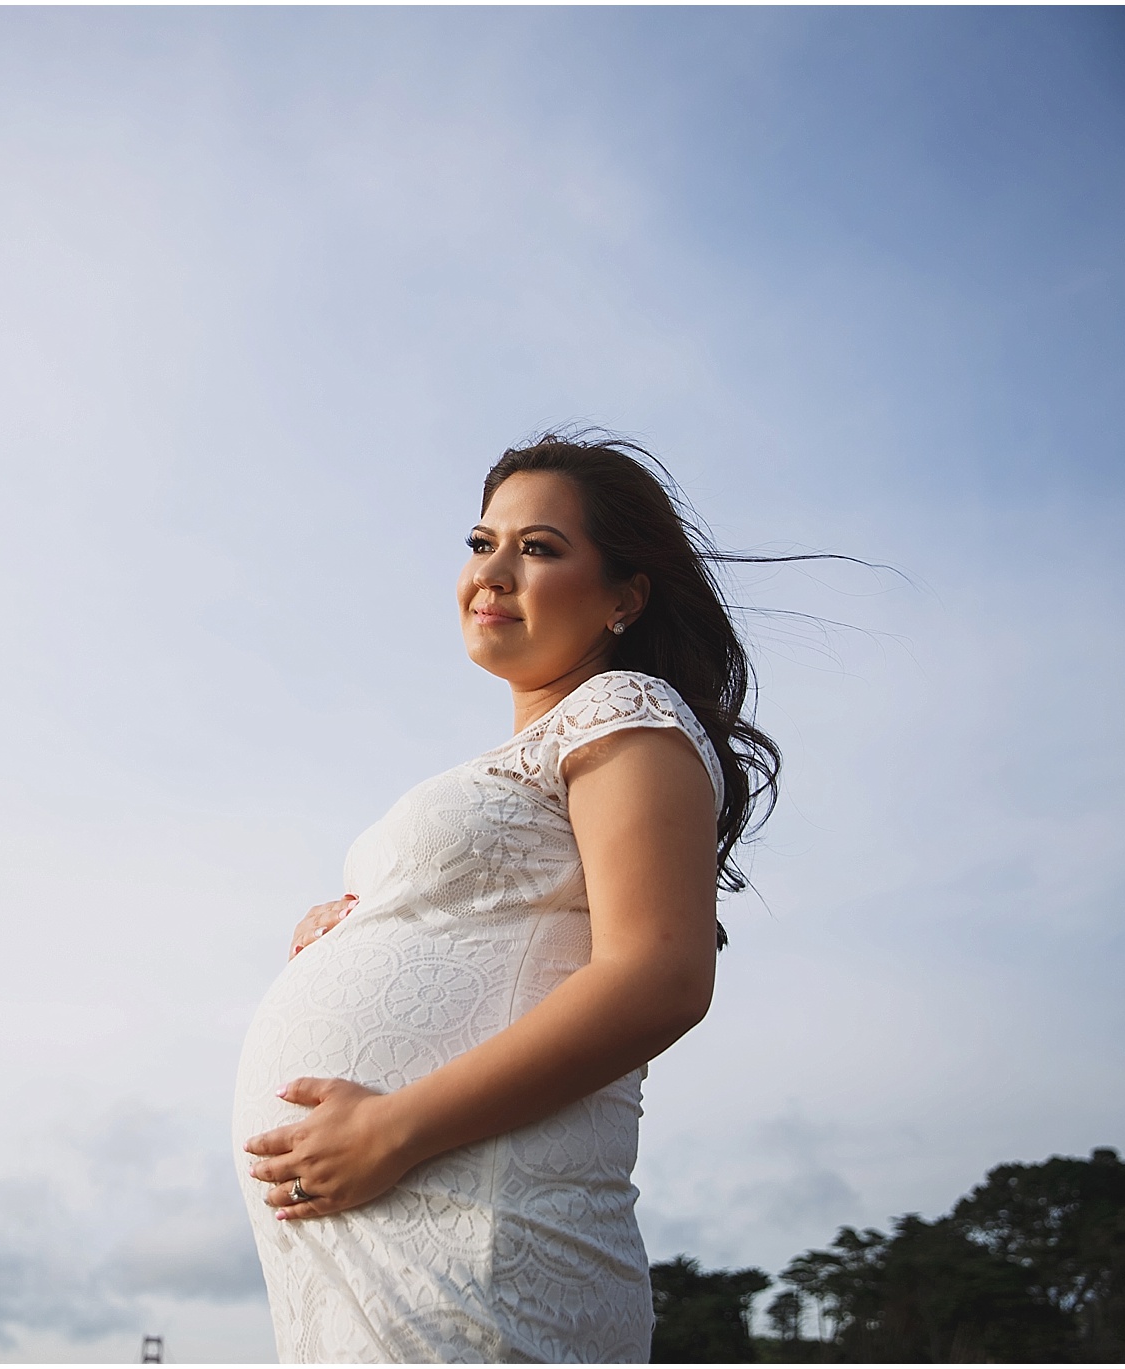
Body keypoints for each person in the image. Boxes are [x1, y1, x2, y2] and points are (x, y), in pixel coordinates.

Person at [233, 432, 785, 1363]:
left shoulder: (625, 710)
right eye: (481, 542)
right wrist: (345, 931)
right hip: (381, 1251)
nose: (492, 573)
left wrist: (391, 1128)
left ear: (625, 595)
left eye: (538, 548)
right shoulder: (514, 759)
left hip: (480, 1242)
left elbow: (660, 973)